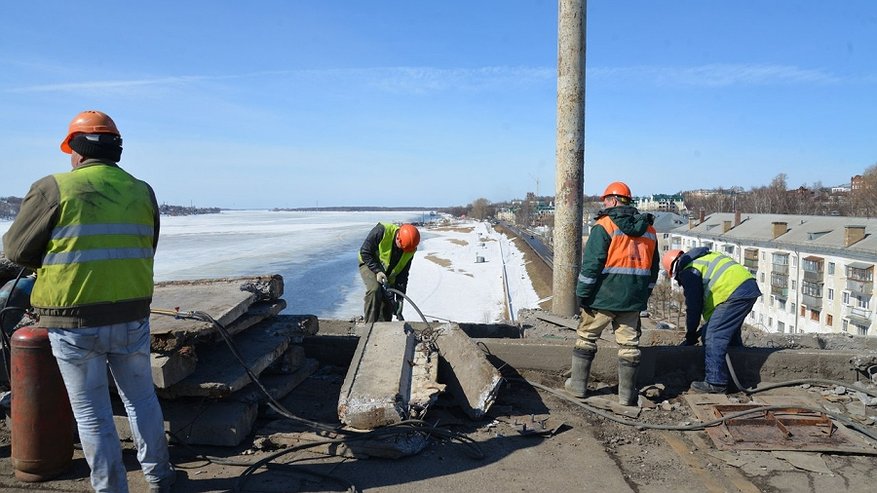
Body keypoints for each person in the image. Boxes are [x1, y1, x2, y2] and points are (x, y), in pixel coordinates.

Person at [2, 110, 174, 492]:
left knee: (92, 413)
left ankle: (111, 489)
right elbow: (147, 245)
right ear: (116, 152)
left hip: (72, 321)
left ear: (76, 151)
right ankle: (160, 478)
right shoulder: (142, 190)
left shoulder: (53, 188)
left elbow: (14, 249)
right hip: (131, 314)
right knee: (142, 400)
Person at [566, 181, 659, 406]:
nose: (604, 204)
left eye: (606, 200)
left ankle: (578, 387)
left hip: (602, 297)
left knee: (586, 338)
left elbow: (591, 264)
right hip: (632, 300)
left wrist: (583, 295)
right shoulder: (650, 230)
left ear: (614, 201)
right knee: (629, 345)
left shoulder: (604, 226)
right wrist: (642, 297)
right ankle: (627, 396)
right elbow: (653, 270)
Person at [662, 247, 762, 393]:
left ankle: (716, 382)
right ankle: (739, 374)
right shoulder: (704, 258)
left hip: (733, 292)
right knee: (730, 335)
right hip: (746, 287)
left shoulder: (689, 270)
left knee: (714, 336)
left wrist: (690, 335)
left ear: (673, 270)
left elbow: (694, 306)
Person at [358, 222, 420, 323]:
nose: (403, 251)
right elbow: (365, 252)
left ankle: (383, 330)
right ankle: (369, 326)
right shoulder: (381, 231)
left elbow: (403, 275)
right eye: (402, 248)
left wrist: (400, 298)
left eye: (406, 250)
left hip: (389, 274)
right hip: (369, 264)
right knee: (375, 290)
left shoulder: (409, 249)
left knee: (388, 302)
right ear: (398, 238)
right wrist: (377, 271)